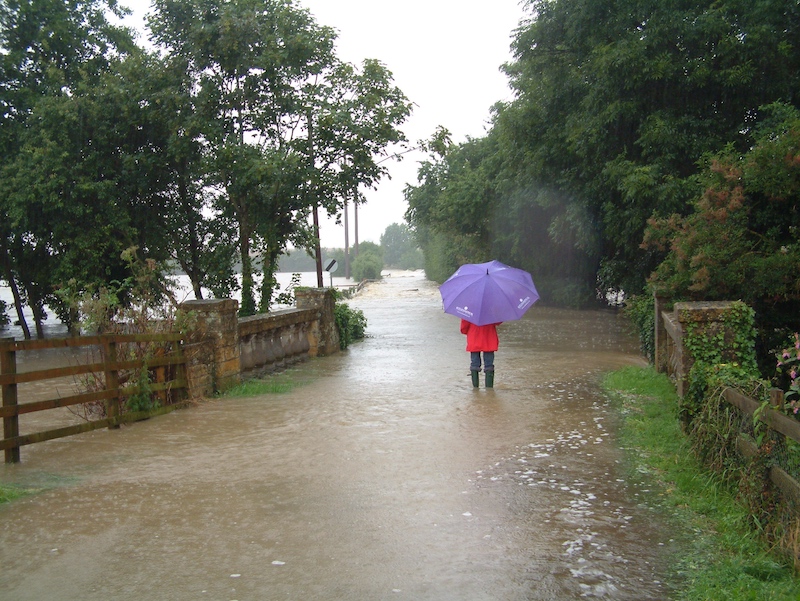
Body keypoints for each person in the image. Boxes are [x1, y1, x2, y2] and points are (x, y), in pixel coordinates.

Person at [460, 319, 501, 388]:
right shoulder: (491, 309)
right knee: (489, 364)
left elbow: (464, 327)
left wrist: (469, 331)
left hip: (474, 338)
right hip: (489, 338)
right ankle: (489, 389)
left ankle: (475, 388)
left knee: (474, 363)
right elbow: (498, 321)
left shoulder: (470, 310)